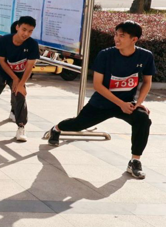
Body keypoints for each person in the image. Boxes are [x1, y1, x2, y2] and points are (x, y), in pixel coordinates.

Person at [48, 20, 155, 179]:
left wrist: (138, 104)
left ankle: (135, 161)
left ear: (134, 39)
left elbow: (147, 82)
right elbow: (97, 85)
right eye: (116, 35)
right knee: (77, 125)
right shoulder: (105, 55)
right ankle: (56, 129)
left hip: (126, 104)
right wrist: (121, 104)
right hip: (101, 103)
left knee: (143, 119)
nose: (116, 39)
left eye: (122, 36)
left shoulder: (145, 56)